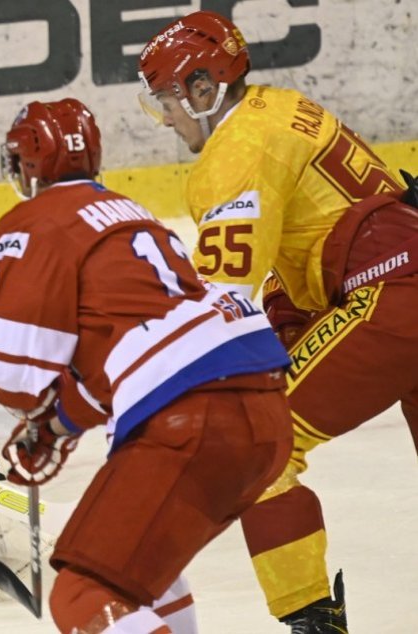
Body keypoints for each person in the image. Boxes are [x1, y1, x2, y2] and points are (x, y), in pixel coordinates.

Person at [138, 10, 418, 632]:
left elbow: (223, 300)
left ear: (205, 89)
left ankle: (314, 621)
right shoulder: (282, 107)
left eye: (168, 101)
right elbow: (306, 254)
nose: (166, 119)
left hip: (394, 299)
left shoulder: (233, 153)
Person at [0, 97, 294, 634]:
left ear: (27, 162)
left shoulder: (33, 221)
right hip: (262, 415)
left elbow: (12, 372)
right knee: (144, 579)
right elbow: (128, 351)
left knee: (85, 594)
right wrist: (56, 427)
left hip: (192, 419)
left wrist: (39, 405)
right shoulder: (134, 215)